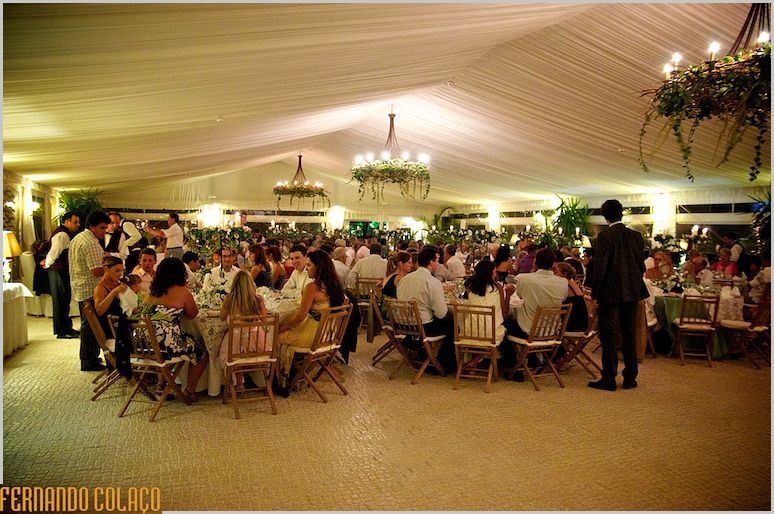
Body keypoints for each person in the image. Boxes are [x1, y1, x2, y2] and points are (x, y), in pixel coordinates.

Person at [590, 199, 649, 392]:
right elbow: (641, 266)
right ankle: (630, 377)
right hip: (632, 291)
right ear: (621, 213)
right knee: (629, 333)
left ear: (605, 215)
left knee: (609, 336)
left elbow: (601, 268)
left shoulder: (605, 236)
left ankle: (609, 378)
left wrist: (595, 293)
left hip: (610, 292)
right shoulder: (636, 236)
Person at [274, 250, 346, 393]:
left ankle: (280, 380)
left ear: (318, 267)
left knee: (274, 336)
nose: (306, 269)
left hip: (314, 335)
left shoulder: (312, 287)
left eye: (309, 265)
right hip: (329, 334)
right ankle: (294, 372)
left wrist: (282, 328)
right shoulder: (336, 285)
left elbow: (300, 317)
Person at [141, 258, 208, 402]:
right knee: (201, 351)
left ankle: (161, 383)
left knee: (167, 342)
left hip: (143, 344)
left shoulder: (151, 290)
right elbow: (193, 314)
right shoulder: (182, 292)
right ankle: (189, 390)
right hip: (166, 346)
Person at [396, 246, 456, 373]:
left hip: (402, 325)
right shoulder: (432, 282)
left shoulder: (404, 279)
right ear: (430, 262)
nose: (438, 263)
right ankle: (443, 363)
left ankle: (423, 355)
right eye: (437, 260)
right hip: (422, 327)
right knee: (453, 324)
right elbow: (441, 313)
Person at [69, 210, 111, 371]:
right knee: (91, 327)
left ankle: (90, 357)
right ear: (92, 227)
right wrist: (110, 267)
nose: (104, 231)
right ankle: (88, 360)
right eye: (102, 228)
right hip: (90, 289)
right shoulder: (91, 242)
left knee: (89, 326)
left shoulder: (78, 238)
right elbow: (96, 270)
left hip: (81, 286)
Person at [219, 270, 269, 389]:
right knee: (243, 349)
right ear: (251, 284)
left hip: (235, 345)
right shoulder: (258, 300)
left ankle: (239, 383)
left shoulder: (229, 299)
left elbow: (222, 317)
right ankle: (264, 382)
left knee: (235, 353)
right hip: (258, 345)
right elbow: (264, 320)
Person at [462, 259, 510, 370]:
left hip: (469, 331)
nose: (496, 274)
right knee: (494, 329)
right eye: (494, 272)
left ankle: (474, 361)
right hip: (491, 333)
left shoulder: (469, 286)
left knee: (479, 327)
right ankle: (475, 360)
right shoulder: (497, 288)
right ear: (490, 274)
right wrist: (508, 296)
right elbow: (505, 314)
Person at [41, 211, 81, 339]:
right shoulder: (63, 234)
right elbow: (54, 253)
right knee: (61, 300)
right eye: (75, 222)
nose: (78, 225)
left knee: (64, 300)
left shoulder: (65, 233)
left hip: (59, 270)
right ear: (66, 222)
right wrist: (47, 264)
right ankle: (62, 331)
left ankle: (66, 328)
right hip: (58, 270)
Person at [92, 256, 128, 338]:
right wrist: (113, 292)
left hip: (120, 323)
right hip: (111, 328)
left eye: (121, 271)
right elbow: (99, 311)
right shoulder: (100, 288)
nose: (120, 274)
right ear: (106, 269)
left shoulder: (117, 284)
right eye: (117, 271)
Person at [553, 262, 588, 333]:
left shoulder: (565, 284)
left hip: (572, 325)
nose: (554, 274)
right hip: (582, 323)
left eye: (556, 272)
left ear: (565, 273)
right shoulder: (572, 283)